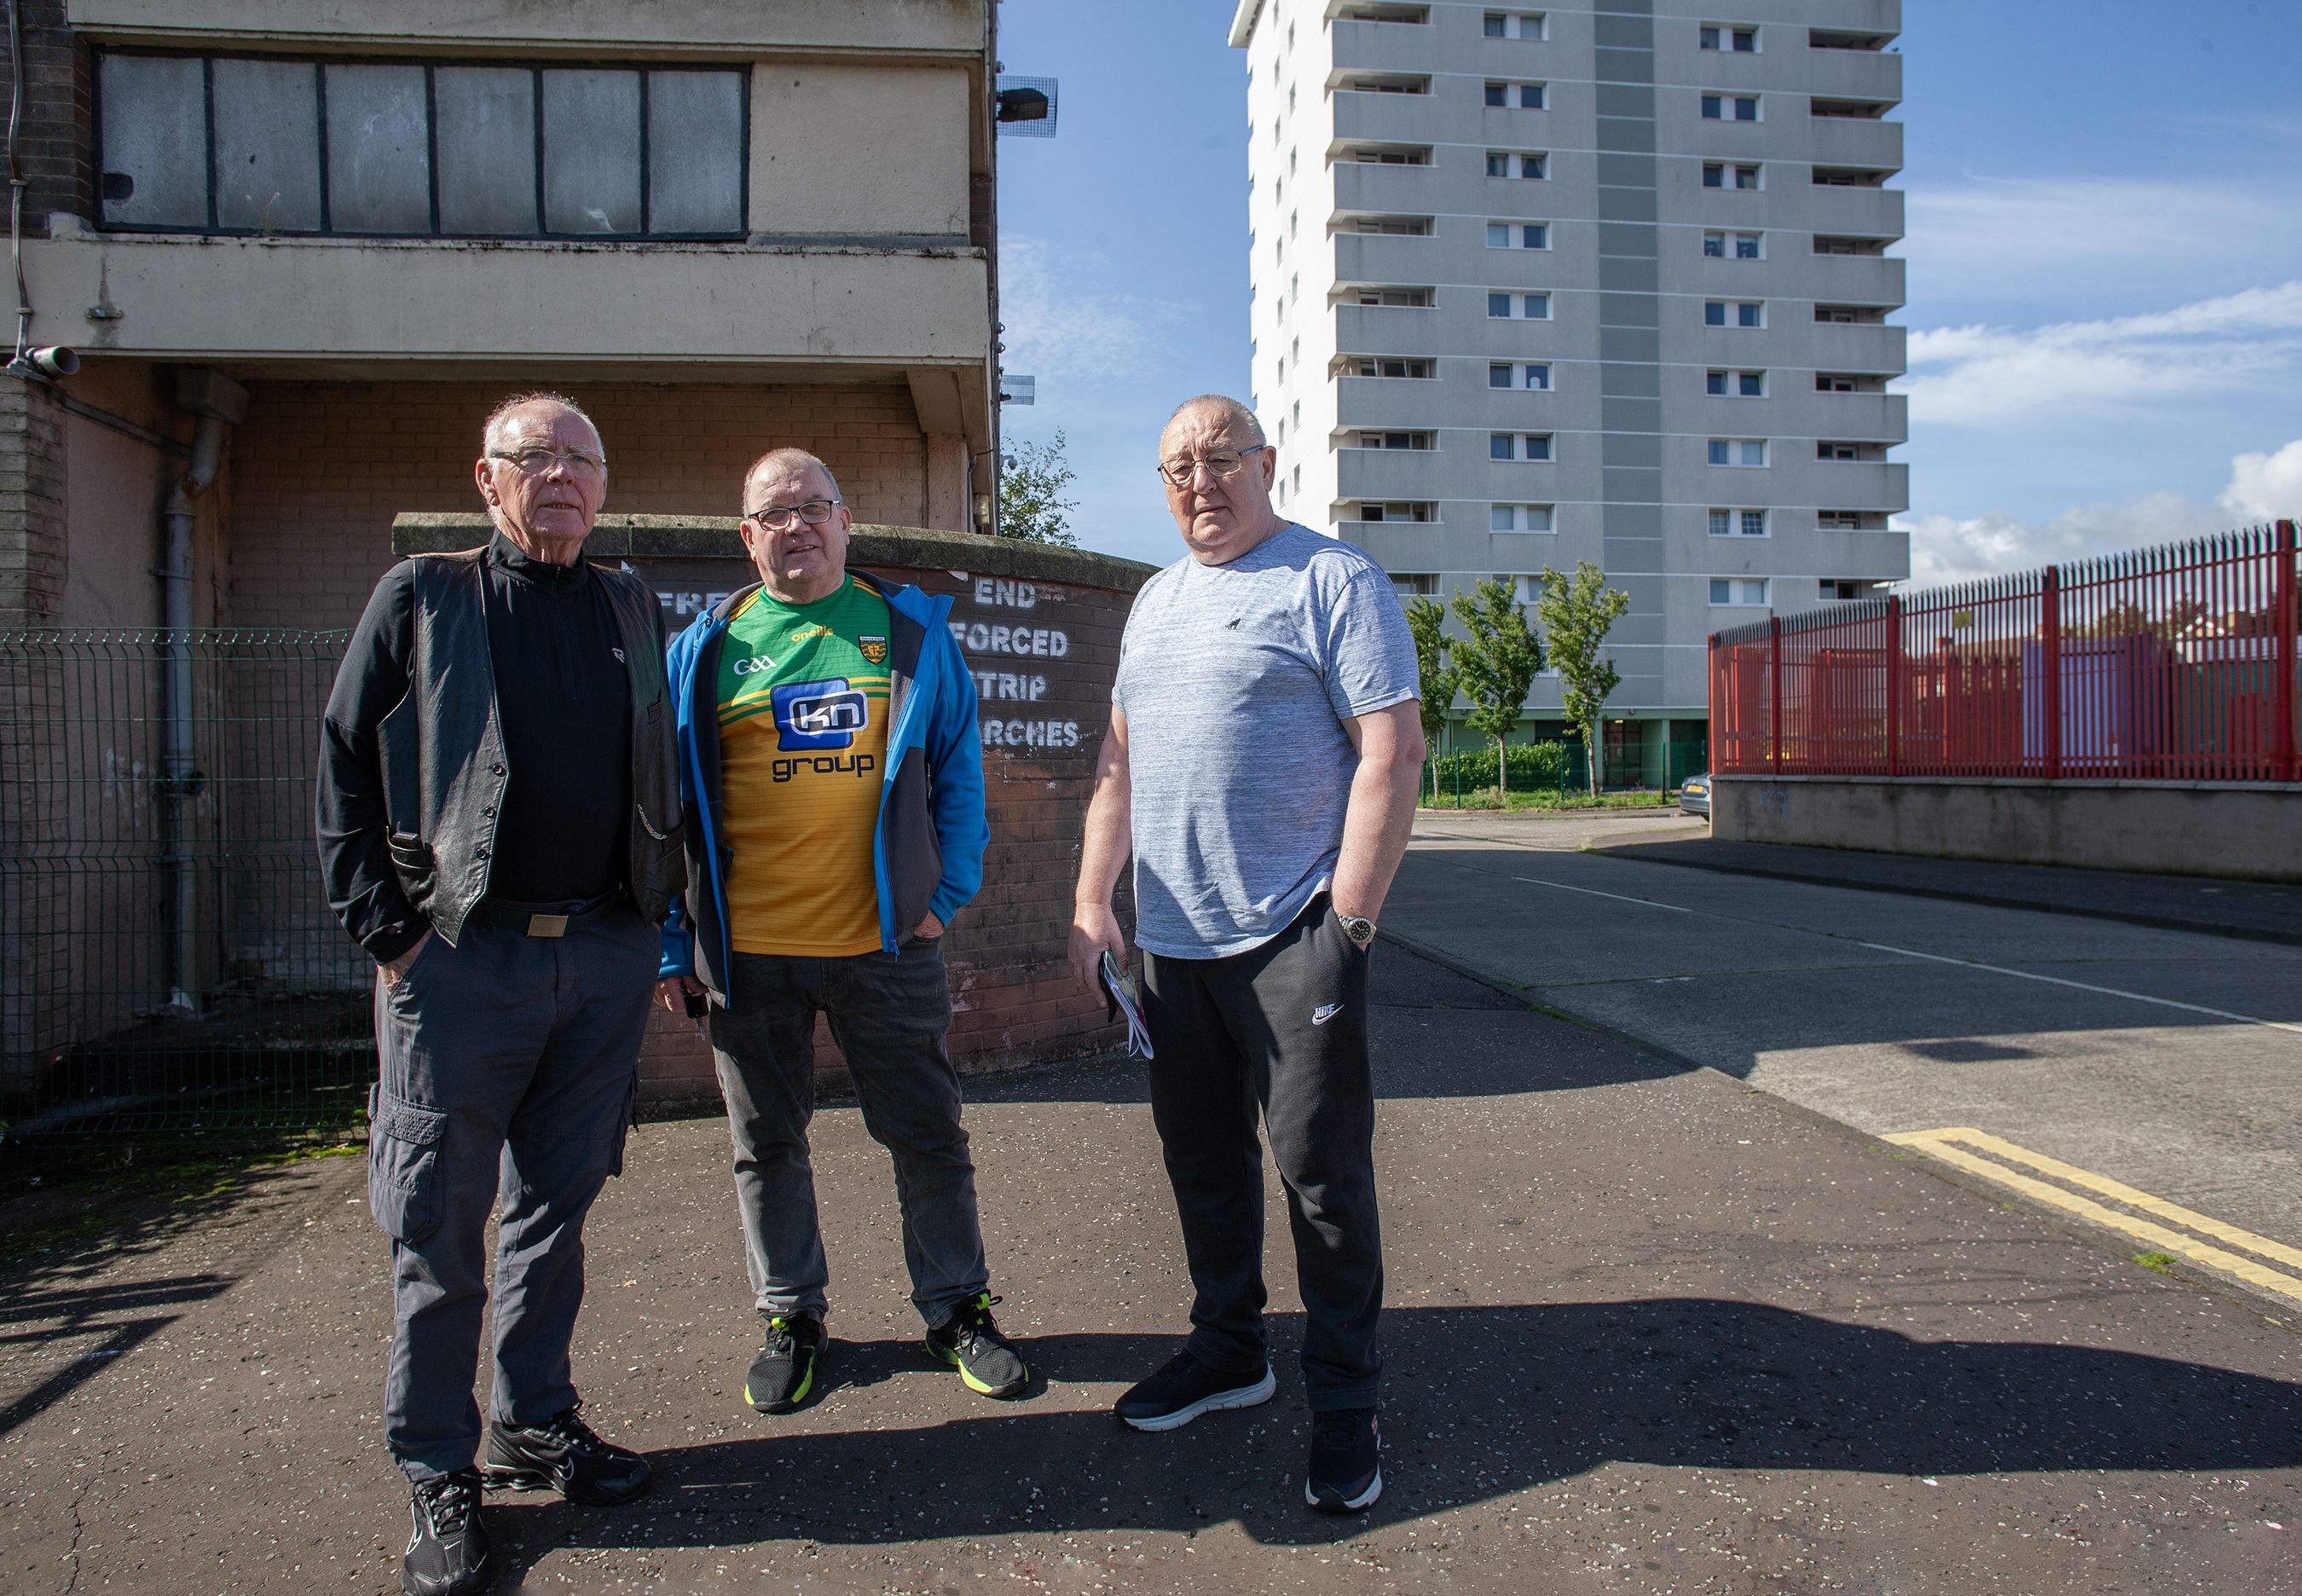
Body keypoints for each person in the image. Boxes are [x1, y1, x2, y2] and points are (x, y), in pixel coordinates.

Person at [318, 393, 683, 1596]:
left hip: (601, 956)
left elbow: (661, 769)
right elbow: (340, 752)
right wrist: (389, 932)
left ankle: (534, 1421)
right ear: (489, 478)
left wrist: (653, 924)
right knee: (440, 1226)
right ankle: (437, 1468)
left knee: (555, 1215)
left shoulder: (632, 601)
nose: (566, 477)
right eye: (540, 458)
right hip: (461, 967)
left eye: (585, 457)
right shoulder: (428, 595)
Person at [1067, 395, 1426, 1513]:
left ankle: (1344, 1400)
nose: (1198, 482)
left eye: (1220, 459)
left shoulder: (1333, 581)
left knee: (1321, 1180)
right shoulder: (1153, 602)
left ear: (1266, 464)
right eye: (1177, 466)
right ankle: (1230, 1352)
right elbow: (1117, 770)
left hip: (1290, 942)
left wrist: (1348, 923)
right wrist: (1092, 899)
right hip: (1173, 952)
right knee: (1204, 1167)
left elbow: (1394, 750)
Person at [656, 448, 1027, 1416]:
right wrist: (672, 943)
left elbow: (958, 776)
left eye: (814, 507)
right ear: (748, 537)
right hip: (751, 957)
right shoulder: (704, 647)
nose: (797, 526)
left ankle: (956, 1309)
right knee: (765, 1143)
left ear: (846, 520)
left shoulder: (907, 634)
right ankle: (792, 1317)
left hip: (886, 948)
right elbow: (665, 813)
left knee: (927, 1137)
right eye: (774, 514)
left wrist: (946, 897)